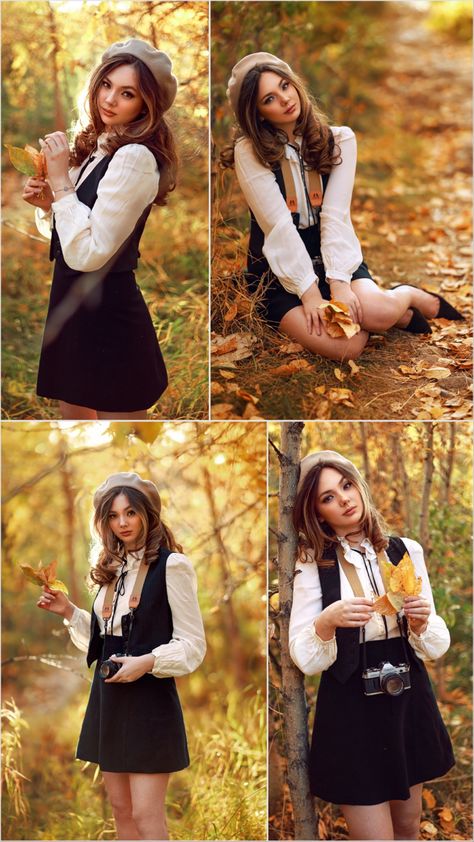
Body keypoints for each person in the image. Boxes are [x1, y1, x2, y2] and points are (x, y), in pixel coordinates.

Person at [222, 53, 463, 361]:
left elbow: (335, 216)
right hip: (278, 270)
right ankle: (393, 319)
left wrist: (339, 285)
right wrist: (310, 296)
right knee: (347, 347)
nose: (285, 99)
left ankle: (409, 295)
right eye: (270, 98)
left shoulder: (340, 140)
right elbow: (278, 227)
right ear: (257, 113)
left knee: (376, 310)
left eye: (285, 86)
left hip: (331, 256)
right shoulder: (249, 152)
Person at [289, 450, 454, 841]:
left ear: (359, 486)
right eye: (328, 497)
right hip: (351, 700)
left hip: (406, 689)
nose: (344, 499)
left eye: (346, 486)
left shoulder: (404, 550)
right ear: (317, 512)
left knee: (408, 824)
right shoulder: (312, 561)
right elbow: (304, 655)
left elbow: (434, 644)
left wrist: (421, 620)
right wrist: (327, 621)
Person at [37, 472, 206, 841]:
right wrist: (69, 612)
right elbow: (103, 641)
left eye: (131, 512)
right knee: (121, 811)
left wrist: (146, 662)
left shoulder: (172, 566)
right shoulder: (110, 569)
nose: (123, 523)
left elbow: (193, 645)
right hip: (108, 696)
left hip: (150, 697)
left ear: (148, 514)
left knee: (147, 815)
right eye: (113, 516)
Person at [23, 39, 178, 420]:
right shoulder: (98, 146)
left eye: (127, 93)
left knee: (122, 420)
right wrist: (51, 204)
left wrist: (61, 183)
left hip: (108, 308)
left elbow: (90, 253)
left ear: (146, 105)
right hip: (70, 298)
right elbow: (75, 233)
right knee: (72, 410)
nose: (110, 99)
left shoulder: (135, 157)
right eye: (106, 85)